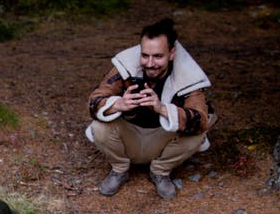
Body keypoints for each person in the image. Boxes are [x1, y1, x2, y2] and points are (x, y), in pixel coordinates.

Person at [86, 18, 216, 199]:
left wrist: (162, 108)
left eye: (158, 56)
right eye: (145, 55)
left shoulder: (189, 77)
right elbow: (95, 100)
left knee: (199, 134)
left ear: (172, 53)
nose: (149, 63)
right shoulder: (125, 68)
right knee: (99, 126)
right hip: (129, 136)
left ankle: (160, 171)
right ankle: (119, 169)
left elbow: (200, 119)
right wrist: (118, 104)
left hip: (162, 140)